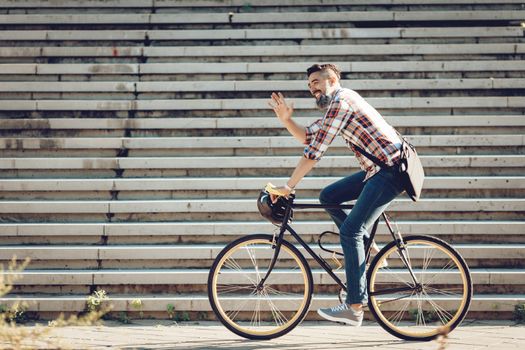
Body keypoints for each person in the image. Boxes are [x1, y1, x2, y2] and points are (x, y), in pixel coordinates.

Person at [266, 63, 406, 326]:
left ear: (332, 79)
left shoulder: (342, 102)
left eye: (316, 82)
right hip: (378, 171)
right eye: (309, 85)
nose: (312, 89)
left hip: (389, 171)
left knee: (349, 231)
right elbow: (309, 136)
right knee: (329, 196)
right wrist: (285, 119)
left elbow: (314, 152)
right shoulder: (337, 107)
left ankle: (354, 307)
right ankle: (364, 245)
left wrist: (289, 186)